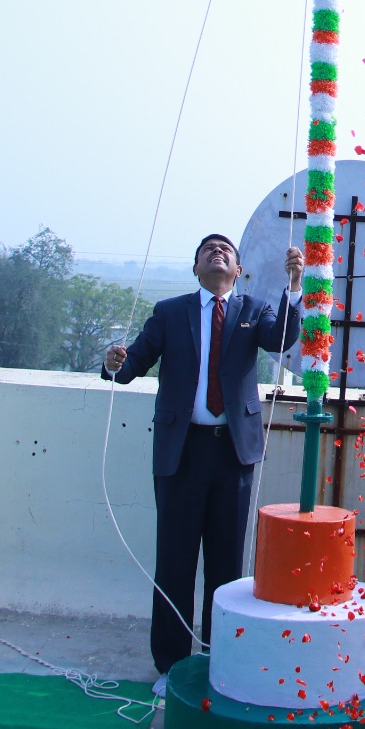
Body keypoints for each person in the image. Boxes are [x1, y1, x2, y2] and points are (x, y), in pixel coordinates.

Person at [103, 233, 302, 690]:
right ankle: (171, 666)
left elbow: (282, 339)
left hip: (232, 452)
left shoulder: (253, 310)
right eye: (208, 250)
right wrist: (115, 360)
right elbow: (132, 363)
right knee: (174, 560)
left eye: (226, 251)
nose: (218, 253)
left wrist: (294, 286)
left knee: (226, 564)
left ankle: (220, 659)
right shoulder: (170, 313)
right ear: (196, 268)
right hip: (181, 451)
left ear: (237, 271)